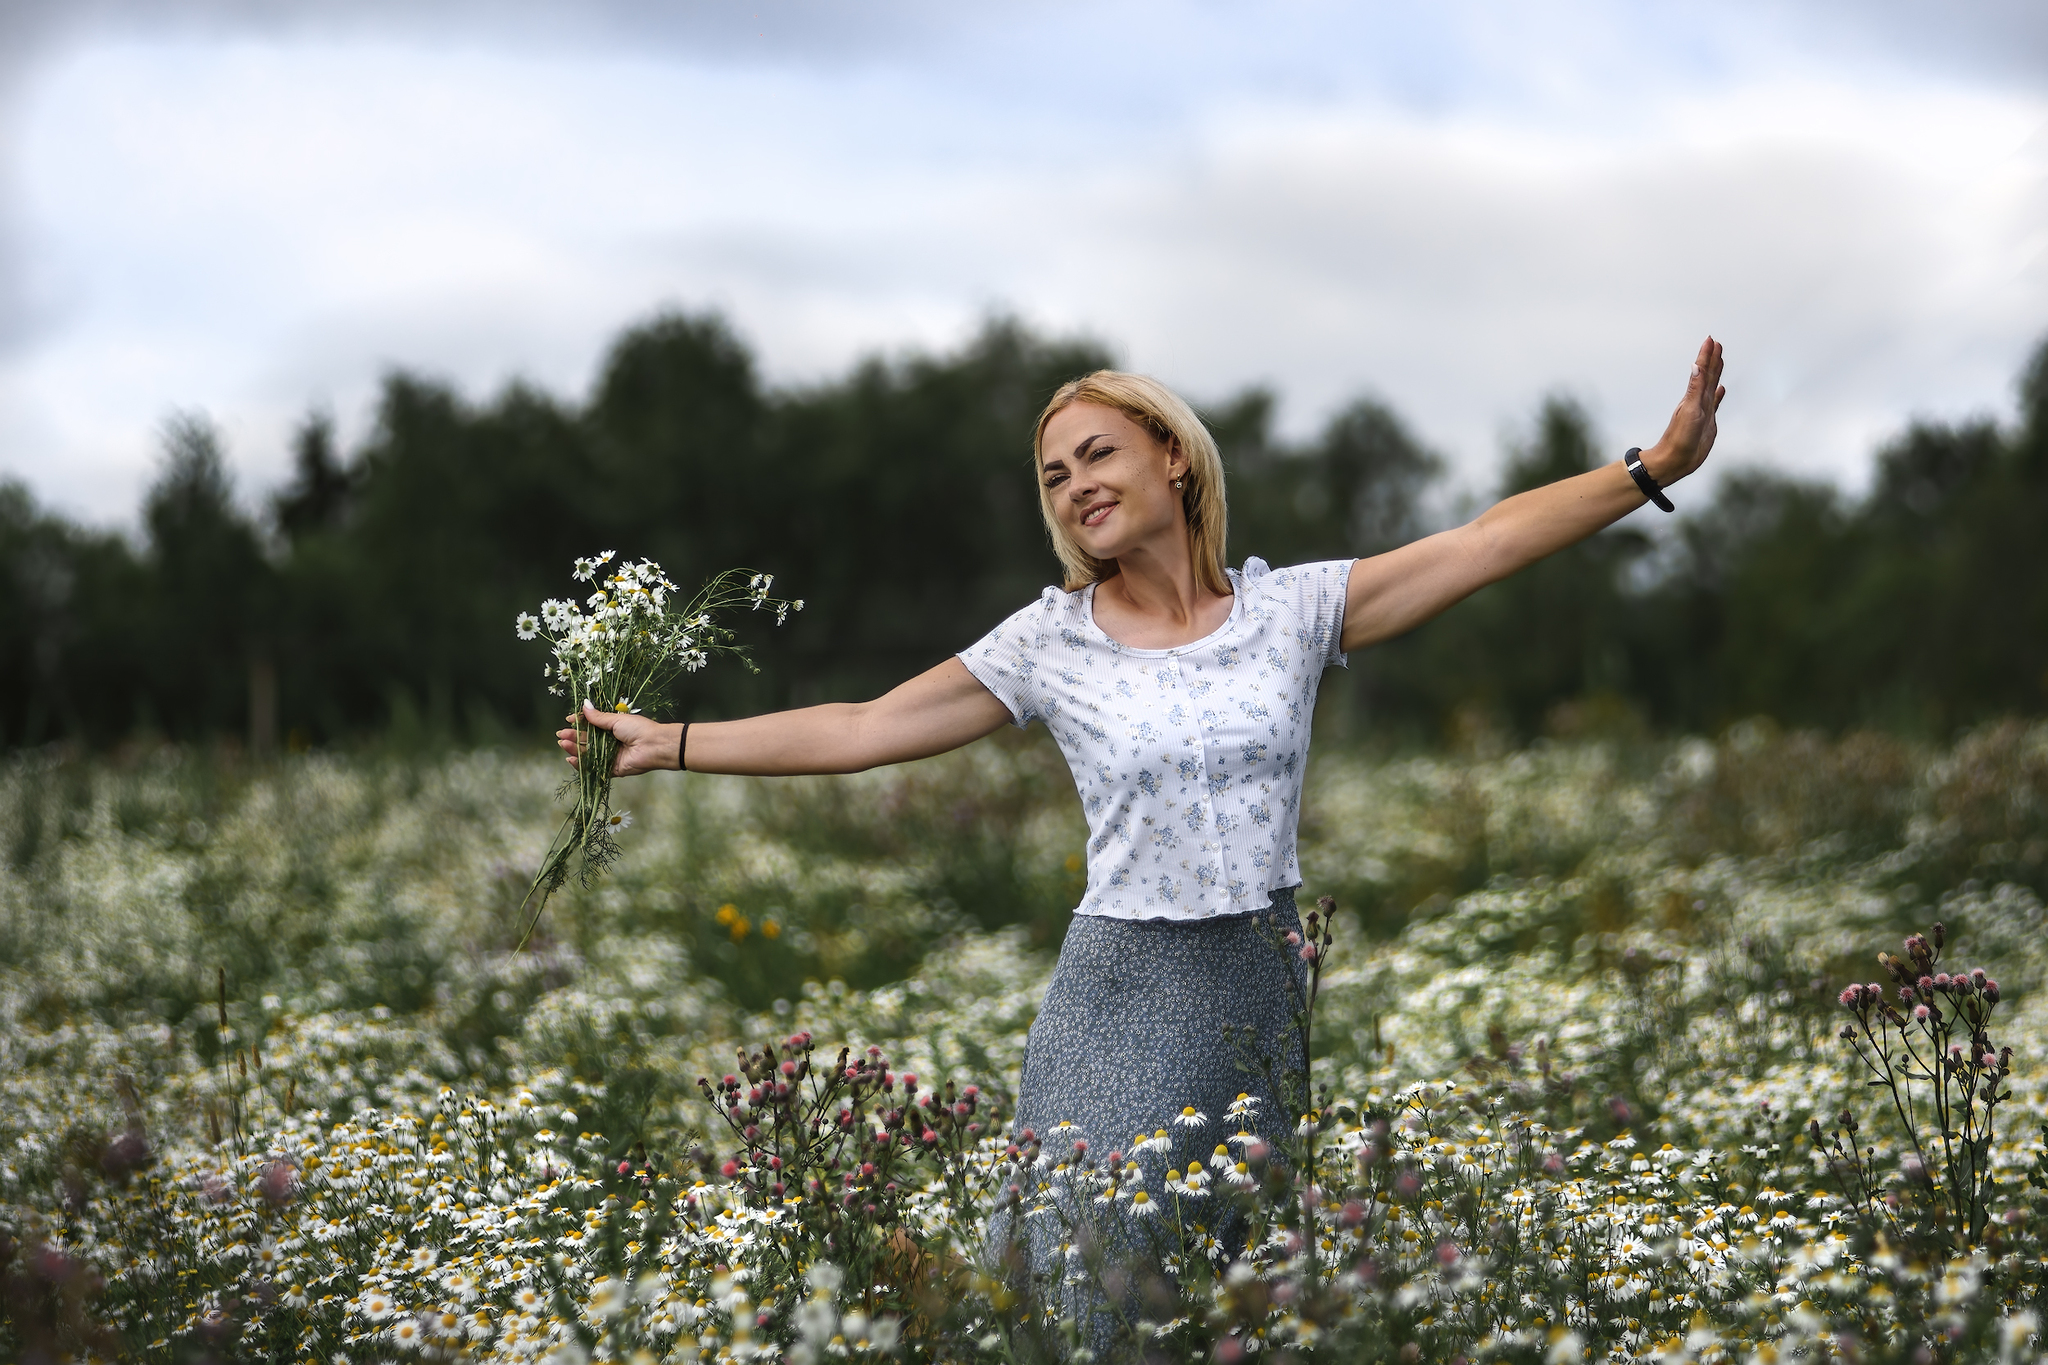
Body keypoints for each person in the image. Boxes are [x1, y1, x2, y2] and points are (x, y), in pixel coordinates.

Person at [558, 336, 1725, 1331]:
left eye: (1098, 454)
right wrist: (673, 743)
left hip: (1259, 980)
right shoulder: (1047, 640)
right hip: (1118, 987)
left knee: (1223, 1289)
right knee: (1083, 1289)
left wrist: (1649, 468)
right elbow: (865, 725)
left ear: (1172, 455)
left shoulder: (1290, 611)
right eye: (1054, 474)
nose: (1074, 486)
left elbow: (1482, 540)